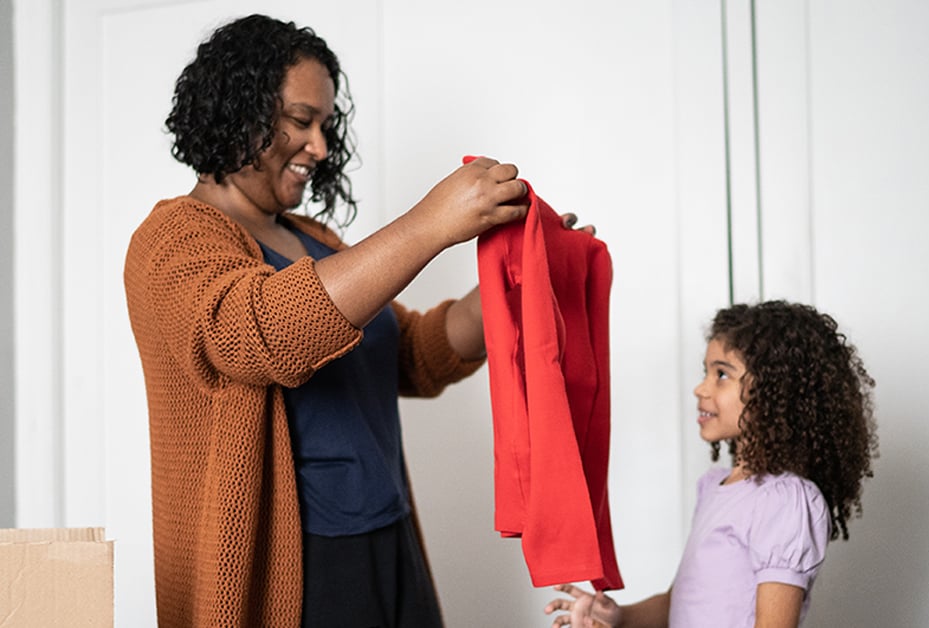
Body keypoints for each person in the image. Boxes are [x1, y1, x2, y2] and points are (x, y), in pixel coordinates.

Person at [124, 14, 587, 628]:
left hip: (388, 539)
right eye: (299, 120)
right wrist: (430, 224)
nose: (318, 145)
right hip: (296, 569)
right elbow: (257, 333)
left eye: (325, 125)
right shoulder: (172, 241)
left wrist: (513, 287)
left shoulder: (311, 239)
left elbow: (412, 353)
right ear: (237, 109)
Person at [544, 301, 879, 627]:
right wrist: (617, 617)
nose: (700, 388)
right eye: (706, 371)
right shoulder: (714, 487)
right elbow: (679, 605)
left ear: (775, 390)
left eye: (721, 374)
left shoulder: (784, 500)